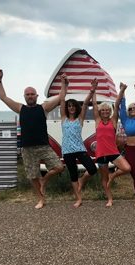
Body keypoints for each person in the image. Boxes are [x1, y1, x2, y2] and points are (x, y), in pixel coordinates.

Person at [0, 66, 64, 209]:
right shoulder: (20, 108)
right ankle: (41, 199)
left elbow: (61, 97)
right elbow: (3, 97)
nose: (30, 96)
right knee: (33, 176)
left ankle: (44, 180)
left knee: (59, 167)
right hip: (27, 148)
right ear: (24, 96)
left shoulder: (43, 108)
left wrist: (64, 84)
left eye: (32, 94)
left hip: (43, 146)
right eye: (28, 94)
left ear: (37, 96)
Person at [59, 74, 98, 208]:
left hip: (80, 149)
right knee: (73, 175)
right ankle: (79, 198)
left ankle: (83, 180)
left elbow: (86, 103)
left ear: (76, 107)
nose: (71, 107)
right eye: (69, 106)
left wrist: (92, 90)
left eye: (73, 106)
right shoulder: (63, 118)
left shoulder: (79, 119)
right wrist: (63, 84)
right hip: (68, 150)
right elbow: (62, 99)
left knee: (92, 169)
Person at [92, 81, 131, 207]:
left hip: (113, 152)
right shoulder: (97, 121)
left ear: (110, 111)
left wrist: (122, 90)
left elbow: (117, 103)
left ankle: (113, 175)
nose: (104, 112)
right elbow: (93, 103)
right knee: (104, 178)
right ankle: (109, 199)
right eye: (102, 110)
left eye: (107, 110)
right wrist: (94, 89)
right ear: (100, 111)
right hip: (101, 154)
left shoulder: (113, 121)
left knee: (127, 168)